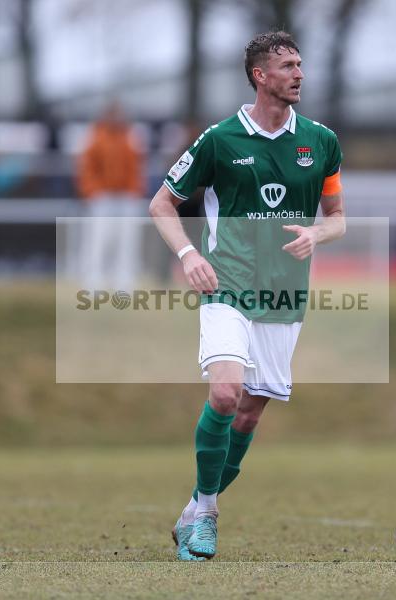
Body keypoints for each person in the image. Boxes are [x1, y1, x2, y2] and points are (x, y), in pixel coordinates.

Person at [148, 30, 346, 561]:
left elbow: (337, 219)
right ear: (260, 75)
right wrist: (190, 256)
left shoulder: (321, 142)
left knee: (250, 416)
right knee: (224, 396)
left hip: (284, 296)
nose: (299, 73)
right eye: (287, 66)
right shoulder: (219, 140)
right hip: (227, 285)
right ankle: (209, 513)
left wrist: (315, 234)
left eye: (301, 64)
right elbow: (162, 204)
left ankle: (193, 506)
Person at [77, 101, 145, 291]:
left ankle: (124, 281)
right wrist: (92, 191)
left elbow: (136, 167)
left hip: (126, 197)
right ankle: (93, 280)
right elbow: (87, 167)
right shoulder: (96, 137)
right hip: (103, 197)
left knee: (127, 240)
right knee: (98, 239)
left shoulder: (131, 137)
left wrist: (134, 191)